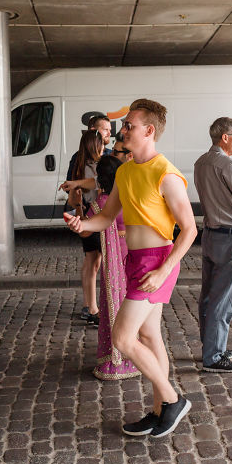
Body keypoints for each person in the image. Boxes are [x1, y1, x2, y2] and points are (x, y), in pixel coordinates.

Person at [64, 98, 197, 438]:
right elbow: (106, 218)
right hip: (135, 261)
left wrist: (164, 270)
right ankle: (158, 412)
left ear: (149, 131)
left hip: (158, 262)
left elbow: (190, 230)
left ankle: (171, 400)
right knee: (150, 336)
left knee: (123, 337)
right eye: (123, 126)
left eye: (129, 126)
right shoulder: (124, 171)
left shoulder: (166, 174)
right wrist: (82, 226)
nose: (122, 131)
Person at [194, 117, 232, 373]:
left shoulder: (200, 162)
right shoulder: (226, 164)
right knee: (224, 299)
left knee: (208, 296)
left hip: (209, 234)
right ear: (225, 138)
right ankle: (214, 355)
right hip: (230, 237)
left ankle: (210, 346)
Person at [87, 155, 139, 380]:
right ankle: (131, 355)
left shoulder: (102, 204)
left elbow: (86, 228)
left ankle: (112, 358)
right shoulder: (130, 198)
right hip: (133, 256)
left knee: (112, 303)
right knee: (130, 305)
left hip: (112, 262)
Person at [61, 131, 105, 325]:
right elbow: (75, 196)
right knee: (95, 261)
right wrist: (78, 202)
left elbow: (73, 196)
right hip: (92, 215)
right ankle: (94, 308)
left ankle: (93, 306)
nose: (104, 147)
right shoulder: (91, 167)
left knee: (94, 261)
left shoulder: (84, 165)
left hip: (88, 214)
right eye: (102, 143)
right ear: (94, 146)